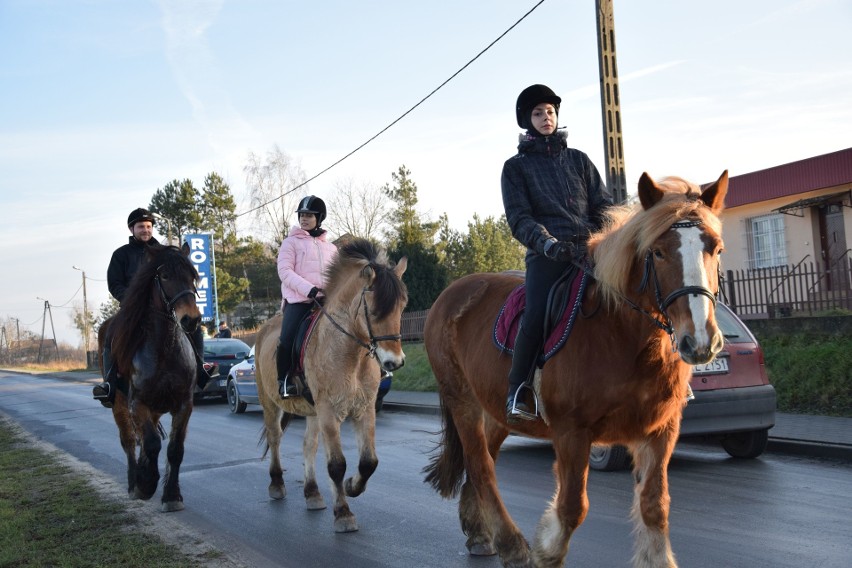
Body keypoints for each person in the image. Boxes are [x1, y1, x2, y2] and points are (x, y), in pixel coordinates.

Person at [501, 84, 613, 422]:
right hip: (547, 256)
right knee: (535, 315)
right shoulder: (515, 168)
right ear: (527, 120)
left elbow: (603, 205)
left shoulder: (579, 160)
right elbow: (519, 218)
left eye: (549, 111)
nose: (546, 117)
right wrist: (547, 243)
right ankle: (518, 390)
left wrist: (608, 238)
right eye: (538, 113)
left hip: (590, 251)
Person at [93, 208, 209, 407]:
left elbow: (176, 276)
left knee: (195, 326)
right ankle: (110, 383)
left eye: (148, 226)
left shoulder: (164, 253)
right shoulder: (121, 255)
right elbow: (114, 283)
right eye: (141, 227)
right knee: (110, 330)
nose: (145, 230)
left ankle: (200, 370)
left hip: (164, 308)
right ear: (132, 229)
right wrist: (128, 299)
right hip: (133, 308)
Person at [276, 195, 338, 399]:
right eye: (302, 215)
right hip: (300, 301)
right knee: (287, 339)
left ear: (319, 218)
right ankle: (285, 381)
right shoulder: (290, 243)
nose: (304, 219)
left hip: (327, 301)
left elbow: (337, 275)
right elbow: (285, 271)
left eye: (309, 215)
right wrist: (309, 289)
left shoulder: (332, 249)